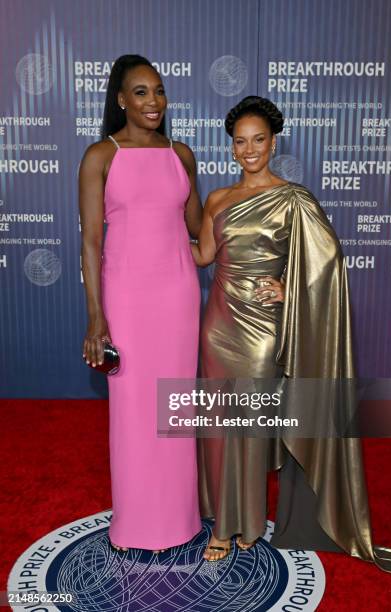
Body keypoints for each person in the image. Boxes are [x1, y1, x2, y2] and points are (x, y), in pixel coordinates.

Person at [191, 95, 391, 573]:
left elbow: (327, 264)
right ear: (231, 146)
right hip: (218, 326)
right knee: (218, 426)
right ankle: (220, 524)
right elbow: (203, 255)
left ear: (273, 142)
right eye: (240, 142)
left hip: (262, 331)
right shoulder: (217, 200)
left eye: (258, 141)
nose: (249, 151)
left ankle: (243, 525)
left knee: (247, 425)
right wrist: (149, 232)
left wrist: (289, 290)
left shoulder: (293, 199)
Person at [79, 54, 202, 553]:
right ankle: (134, 524)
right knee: (132, 412)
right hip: (126, 298)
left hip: (178, 296)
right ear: (120, 100)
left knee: (175, 406)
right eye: (142, 92)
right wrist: (96, 317)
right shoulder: (99, 156)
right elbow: (90, 241)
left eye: (159, 91)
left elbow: (200, 229)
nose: (155, 102)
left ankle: (180, 519)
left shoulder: (181, 154)